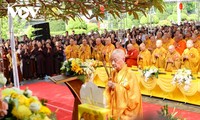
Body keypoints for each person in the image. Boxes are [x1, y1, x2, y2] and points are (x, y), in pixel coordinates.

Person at [105, 49, 143, 120]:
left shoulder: (130, 74)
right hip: (114, 108)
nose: (113, 63)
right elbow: (108, 93)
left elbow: (134, 98)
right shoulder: (113, 73)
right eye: (112, 60)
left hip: (126, 112)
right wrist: (109, 87)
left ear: (123, 59)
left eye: (115, 60)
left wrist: (116, 87)